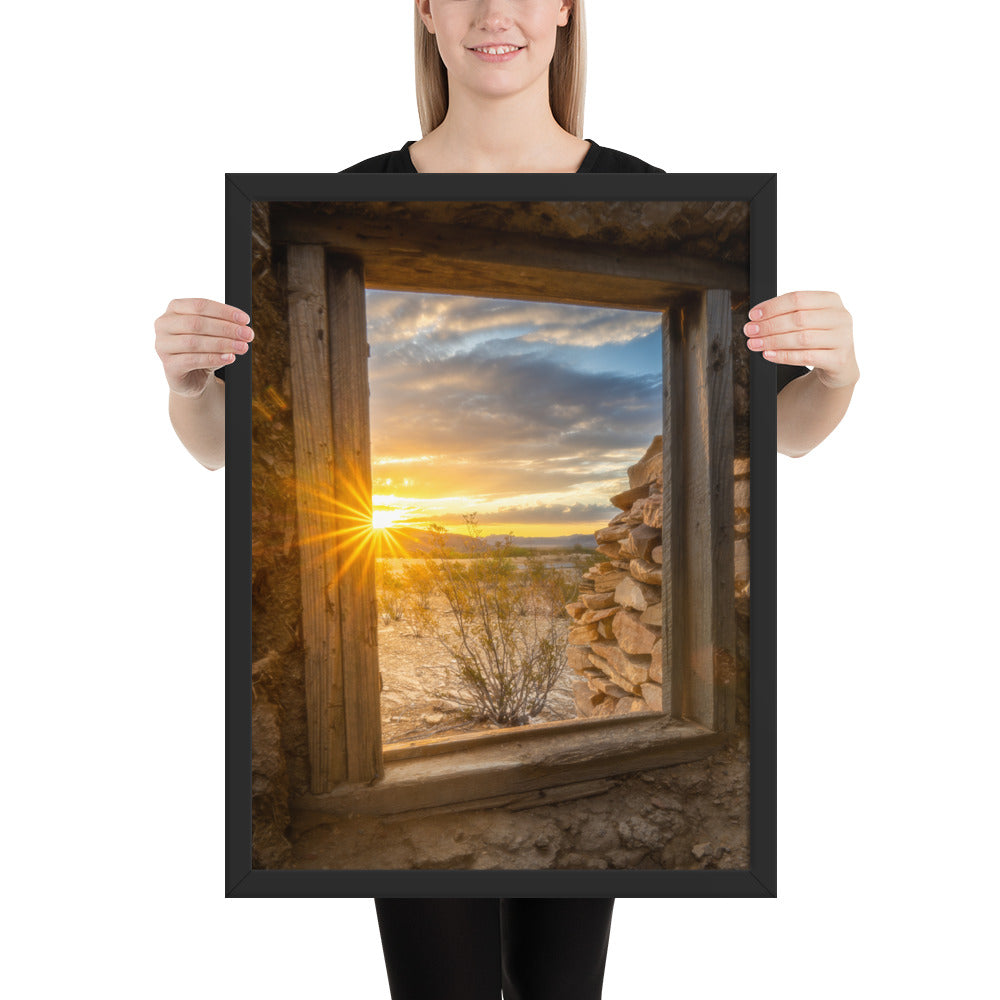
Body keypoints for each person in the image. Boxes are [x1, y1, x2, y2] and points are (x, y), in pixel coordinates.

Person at [153, 2, 859, 998]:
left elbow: (761, 439)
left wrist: (836, 375)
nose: (497, 14)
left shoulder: (644, 199)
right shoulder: (345, 201)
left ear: (566, 10)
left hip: (603, 758)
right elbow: (235, 458)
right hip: (392, 782)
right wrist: (189, 387)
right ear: (427, 13)